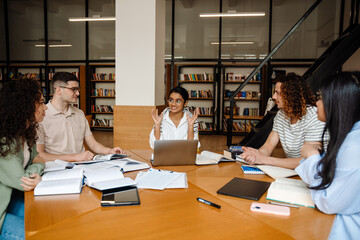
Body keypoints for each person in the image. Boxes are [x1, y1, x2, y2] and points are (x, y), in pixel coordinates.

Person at [296, 72, 360, 239]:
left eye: (321, 98)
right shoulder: (349, 136)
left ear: (337, 103)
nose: (317, 103)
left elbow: (329, 202)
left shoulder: (355, 146)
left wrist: (312, 158)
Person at [240, 73, 327, 169]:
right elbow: (268, 146)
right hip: (293, 173)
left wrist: (264, 159)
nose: (273, 97)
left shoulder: (315, 116)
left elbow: (307, 161)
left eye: (277, 93)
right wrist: (256, 155)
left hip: (313, 174)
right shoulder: (281, 115)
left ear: (292, 95)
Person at [37, 72, 124, 162]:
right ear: (59, 90)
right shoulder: (41, 116)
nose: (78, 93)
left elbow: (93, 143)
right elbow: (40, 155)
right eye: (73, 89)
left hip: (82, 166)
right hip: (57, 169)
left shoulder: (79, 113)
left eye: (78, 89)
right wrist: (74, 157)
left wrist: (109, 151)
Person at [0, 78, 46, 240]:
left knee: (46, 220)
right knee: (37, 235)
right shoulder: (5, 140)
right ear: (24, 106)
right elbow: (24, 181)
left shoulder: (25, 132)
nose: (44, 107)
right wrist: (35, 170)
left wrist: (36, 169)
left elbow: (39, 160)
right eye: (40, 103)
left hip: (12, 198)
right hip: (2, 208)